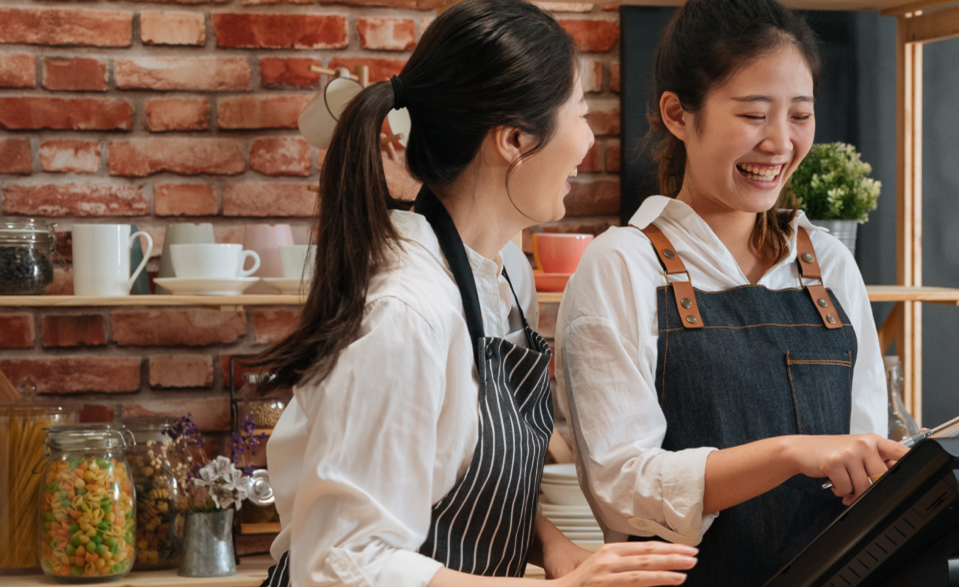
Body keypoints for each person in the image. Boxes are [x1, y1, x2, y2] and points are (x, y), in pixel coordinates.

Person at [252, 0, 697, 585]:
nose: (590, 139)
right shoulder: (403, 315)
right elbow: (345, 565)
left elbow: (453, 474)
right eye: (581, 114)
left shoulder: (506, 272)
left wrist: (551, 544)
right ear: (513, 139)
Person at [555, 0, 909, 584]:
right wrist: (789, 453)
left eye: (800, 115)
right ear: (678, 113)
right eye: (753, 115)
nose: (780, 142)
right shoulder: (623, 265)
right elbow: (622, 488)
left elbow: (859, 459)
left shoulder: (830, 265)